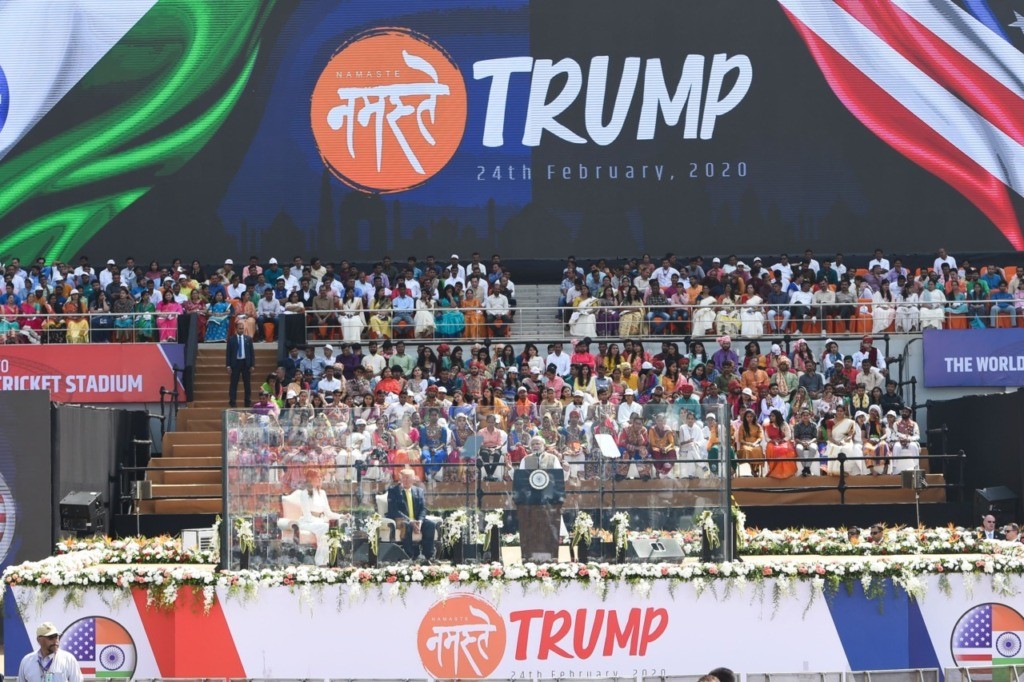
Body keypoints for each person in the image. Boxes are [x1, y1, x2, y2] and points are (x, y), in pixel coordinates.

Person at [294, 469, 342, 566]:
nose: (320, 479)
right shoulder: (305, 493)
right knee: (325, 527)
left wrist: (342, 516)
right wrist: (322, 521)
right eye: (318, 477)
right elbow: (307, 516)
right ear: (310, 479)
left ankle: (332, 559)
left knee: (337, 524)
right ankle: (320, 562)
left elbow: (328, 513)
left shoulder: (322, 493)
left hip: (319, 521)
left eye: (321, 477)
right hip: (307, 522)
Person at [386, 467, 436, 562]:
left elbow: (423, 509)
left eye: (408, 478)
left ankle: (428, 556)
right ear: (400, 478)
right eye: (404, 477)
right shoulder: (393, 491)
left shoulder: (419, 491)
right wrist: (411, 521)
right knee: (407, 525)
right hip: (400, 519)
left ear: (413, 479)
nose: (406, 480)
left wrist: (420, 521)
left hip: (416, 519)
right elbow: (394, 510)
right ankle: (409, 556)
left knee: (430, 525)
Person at [17, 621, 83, 682]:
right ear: (39, 640)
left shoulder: (69, 659)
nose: (55, 641)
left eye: (57, 637)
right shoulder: (27, 661)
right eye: (51, 637)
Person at [226, 329, 255, 408]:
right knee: (233, 384)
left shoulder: (248, 339)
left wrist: (252, 365)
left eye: (242, 328)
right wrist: (228, 365)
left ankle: (247, 402)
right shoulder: (231, 339)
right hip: (235, 364)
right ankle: (232, 402)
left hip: (246, 364)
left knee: (247, 384)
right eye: (239, 328)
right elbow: (228, 353)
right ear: (236, 329)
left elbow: (251, 352)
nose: (241, 330)